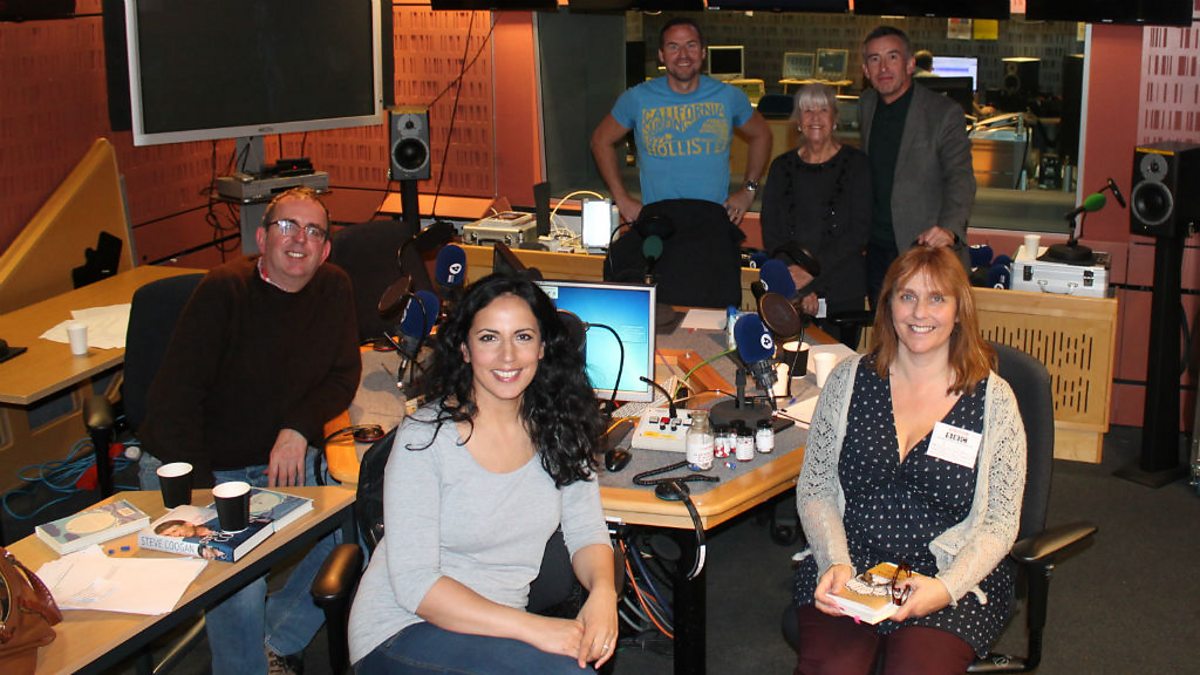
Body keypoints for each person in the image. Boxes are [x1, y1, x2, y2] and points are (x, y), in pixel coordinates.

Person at [138, 186, 361, 674]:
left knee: (362, 523)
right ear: (262, 238)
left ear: (325, 249)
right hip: (196, 464)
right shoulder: (224, 292)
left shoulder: (334, 288)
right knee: (239, 580)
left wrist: (297, 428)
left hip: (275, 461)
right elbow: (174, 405)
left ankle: (277, 640)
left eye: (313, 231)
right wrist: (204, 504)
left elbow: (343, 375)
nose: (299, 239)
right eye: (287, 226)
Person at [348, 273, 617, 674]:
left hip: (498, 628)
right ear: (465, 348)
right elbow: (416, 584)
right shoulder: (425, 437)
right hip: (403, 627)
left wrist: (603, 594)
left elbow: (586, 532)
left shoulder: (561, 429)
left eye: (523, 337)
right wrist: (536, 630)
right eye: (489, 338)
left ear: (543, 346)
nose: (508, 356)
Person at [790, 245, 1026, 674]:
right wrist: (835, 560)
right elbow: (816, 488)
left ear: (959, 310)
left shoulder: (994, 401)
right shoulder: (848, 380)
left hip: (947, 575)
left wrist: (945, 588)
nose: (920, 312)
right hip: (850, 565)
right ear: (889, 305)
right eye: (907, 296)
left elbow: (1000, 521)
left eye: (937, 298)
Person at [591, 17, 772, 308]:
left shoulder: (728, 97)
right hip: (660, 228)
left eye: (691, 45)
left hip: (711, 227)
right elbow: (600, 140)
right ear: (662, 55)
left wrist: (749, 190)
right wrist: (622, 199)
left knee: (715, 317)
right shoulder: (637, 98)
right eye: (673, 47)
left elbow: (762, 134)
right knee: (662, 315)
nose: (683, 54)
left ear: (703, 52)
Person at [858, 26, 976, 306]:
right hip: (876, 251)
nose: (883, 67)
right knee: (884, 329)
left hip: (926, 251)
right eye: (874, 59)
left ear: (910, 64)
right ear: (865, 70)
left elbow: (960, 178)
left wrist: (949, 229)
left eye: (892, 57)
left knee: (926, 329)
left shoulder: (943, 112)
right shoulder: (866, 104)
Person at [760, 83, 871, 347]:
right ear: (798, 121)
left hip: (842, 293)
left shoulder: (858, 165)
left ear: (835, 118)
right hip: (790, 292)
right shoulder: (781, 167)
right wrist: (798, 287)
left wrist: (811, 276)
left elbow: (859, 232)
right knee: (788, 365)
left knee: (838, 369)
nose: (815, 117)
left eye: (823, 110)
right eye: (807, 111)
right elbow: (772, 232)